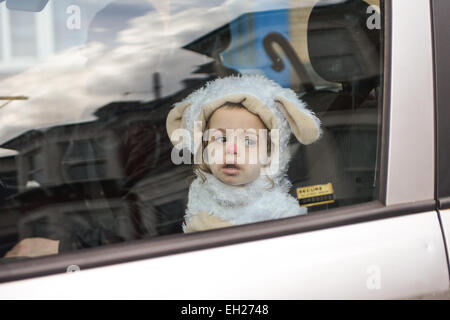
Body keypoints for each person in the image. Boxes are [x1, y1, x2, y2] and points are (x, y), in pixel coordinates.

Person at [166, 74, 322, 233]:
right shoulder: (196, 198)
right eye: (221, 139)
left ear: (269, 154)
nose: (231, 150)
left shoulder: (281, 213)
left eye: (248, 141)